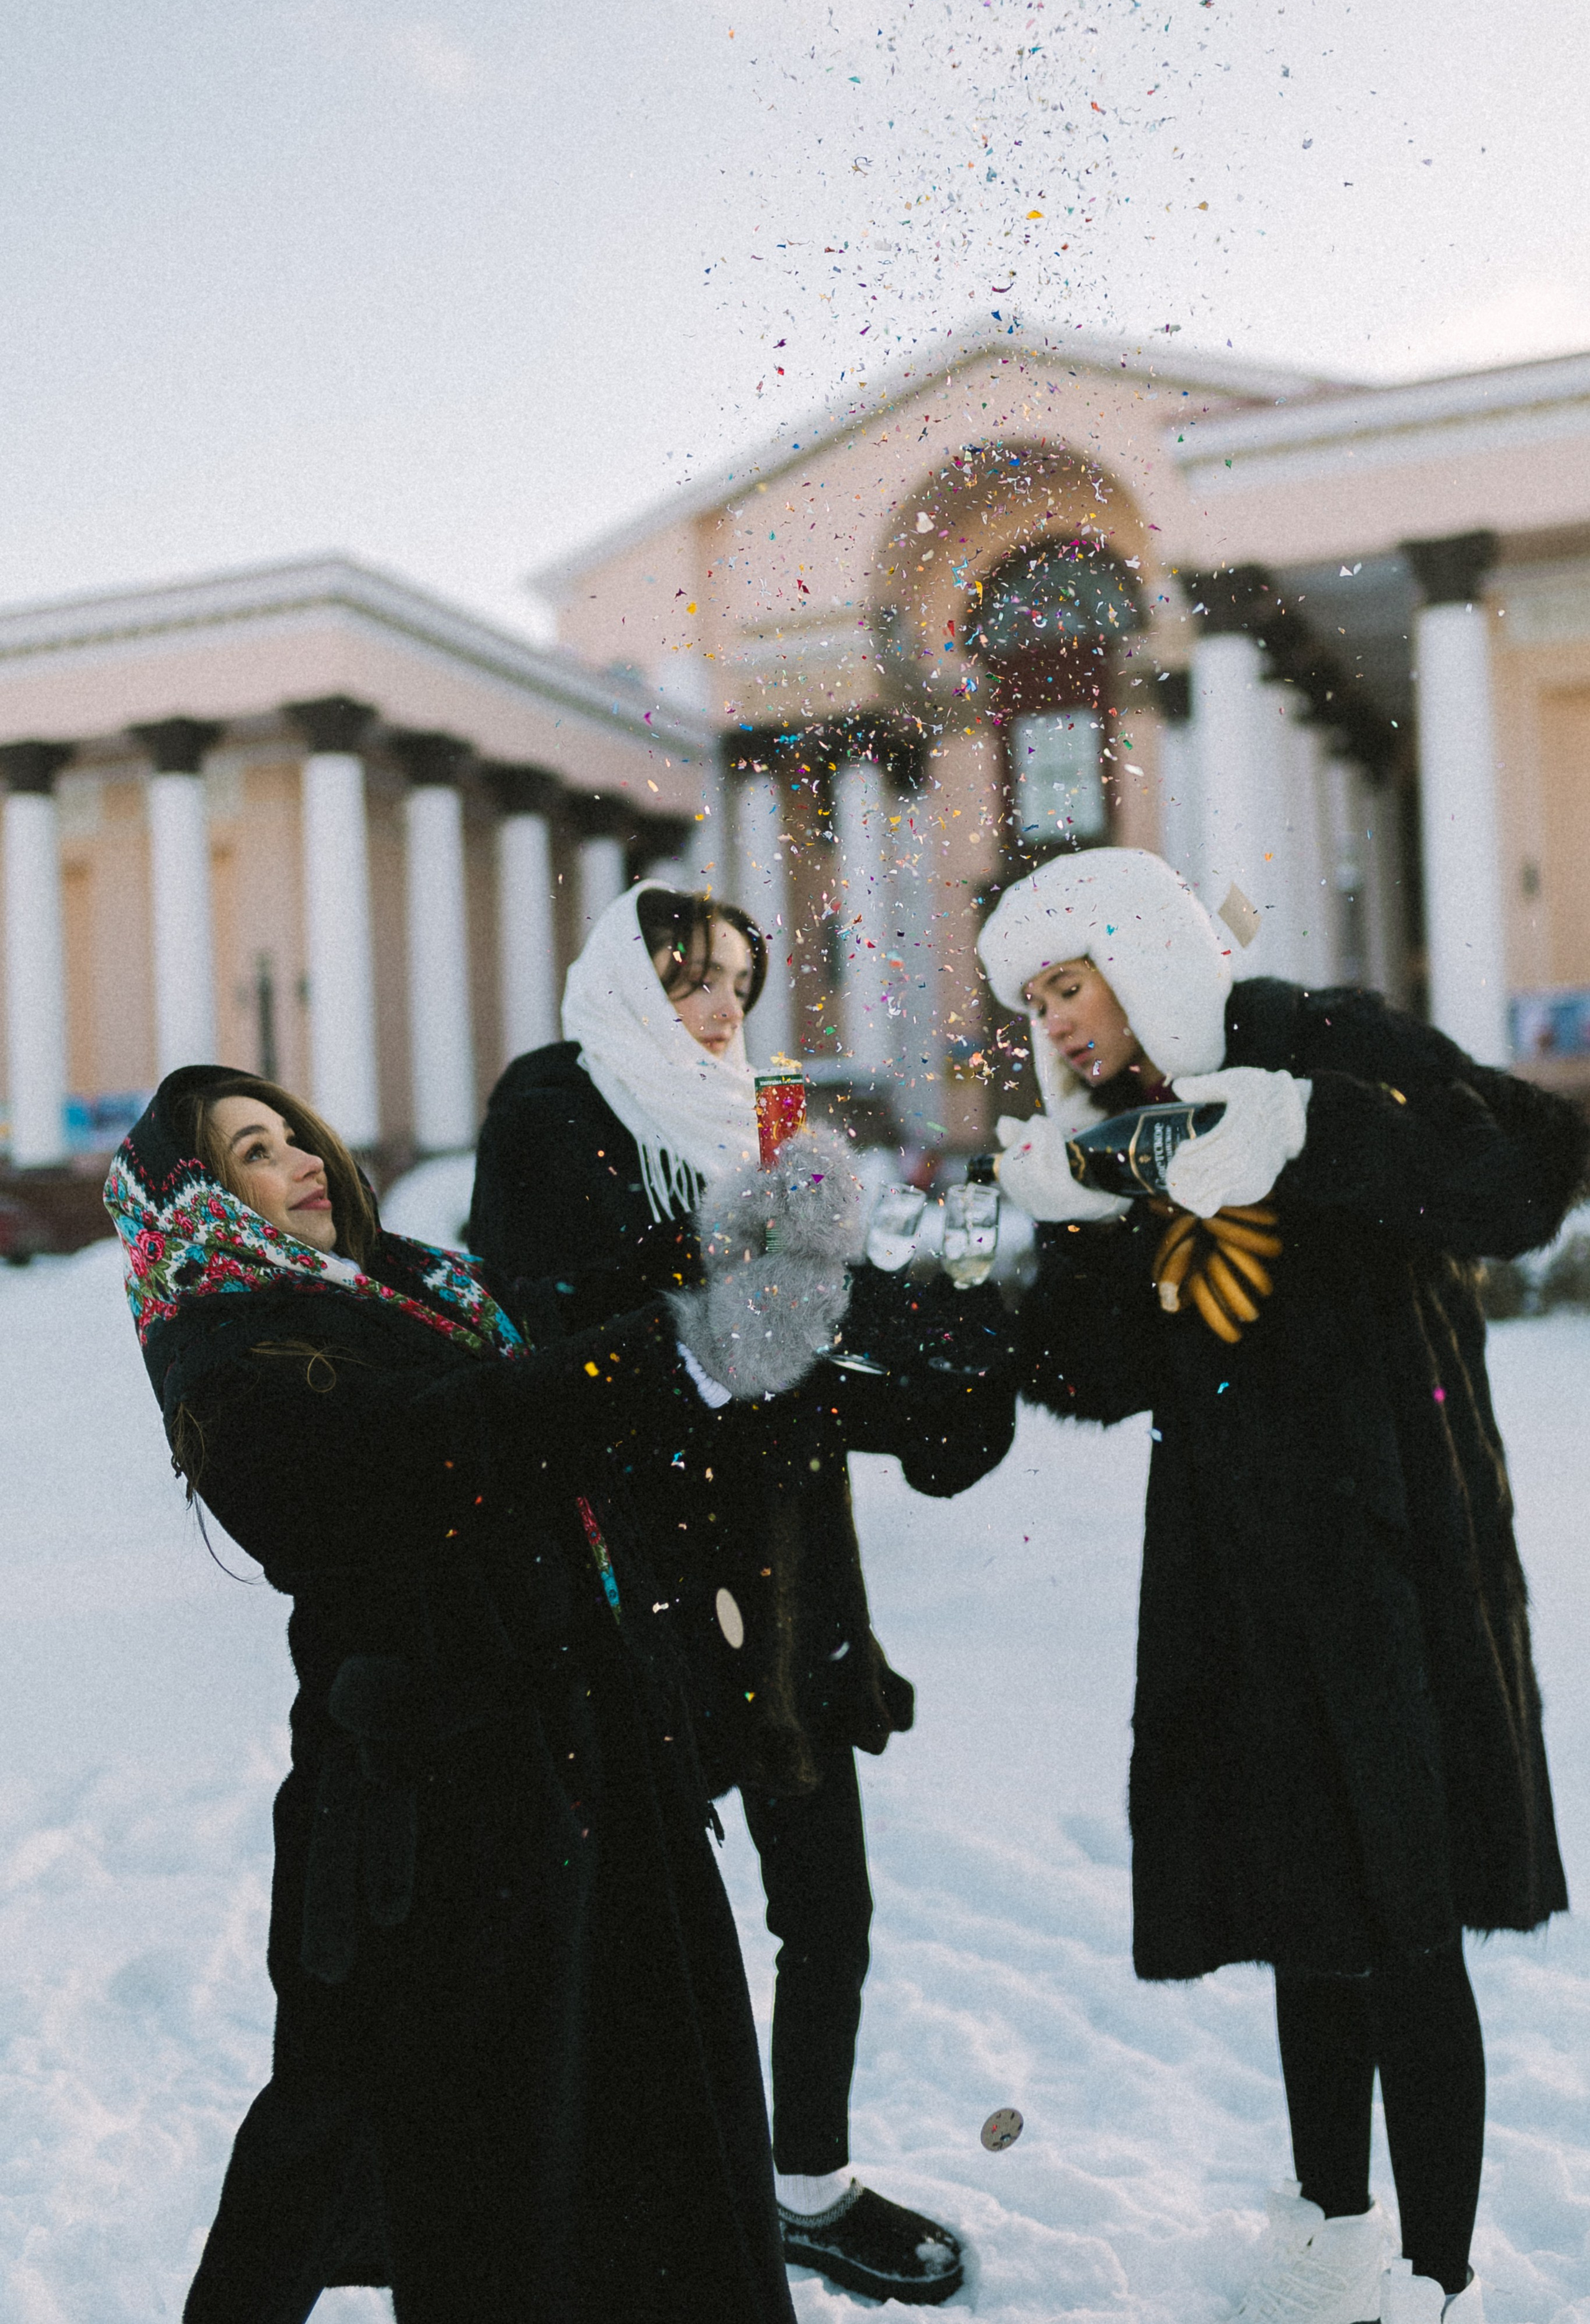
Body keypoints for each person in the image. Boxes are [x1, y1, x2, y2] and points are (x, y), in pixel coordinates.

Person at [104, 1061, 862, 2324]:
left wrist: (732, 1239)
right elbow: (441, 1449)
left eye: (292, 1132)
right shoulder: (231, 1353)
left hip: (578, 1772)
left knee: (626, 2122)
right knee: (458, 2159)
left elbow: (558, 1319)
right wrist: (684, 1353)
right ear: (198, 1203)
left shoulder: (420, 1285)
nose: (297, 1158)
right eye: (250, 1151)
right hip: (434, 1818)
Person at [977, 847, 1588, 2324]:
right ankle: (1328, 2226)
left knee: (1406, 1914)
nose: (1052, 1026)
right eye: (1032, 1005)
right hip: (1234, 1568)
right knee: (1300, 1904)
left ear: (1139, 958)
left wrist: (1308, 1132)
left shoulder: (1320, 1040)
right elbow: (1102, 1377)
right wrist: (1066, 1233)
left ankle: (1439, 2276)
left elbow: (1524, 1174)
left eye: (1068, 985)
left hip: (1395, 1548)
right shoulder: (1117, 1136)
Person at [470, 882, 1015, 2309]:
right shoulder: (555, 1116)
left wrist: (947, 1386)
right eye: (685, 977)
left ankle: (805, 2184)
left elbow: (813, 1322)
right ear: (621, 984)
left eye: (733, 982)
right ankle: (612, 2185)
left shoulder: (758, 1126)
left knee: (825, 1901)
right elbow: (584, 1331)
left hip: (780, 1574)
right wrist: (749, 1275)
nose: (718, 1010)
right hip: (630, 1575)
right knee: (632, 1916)